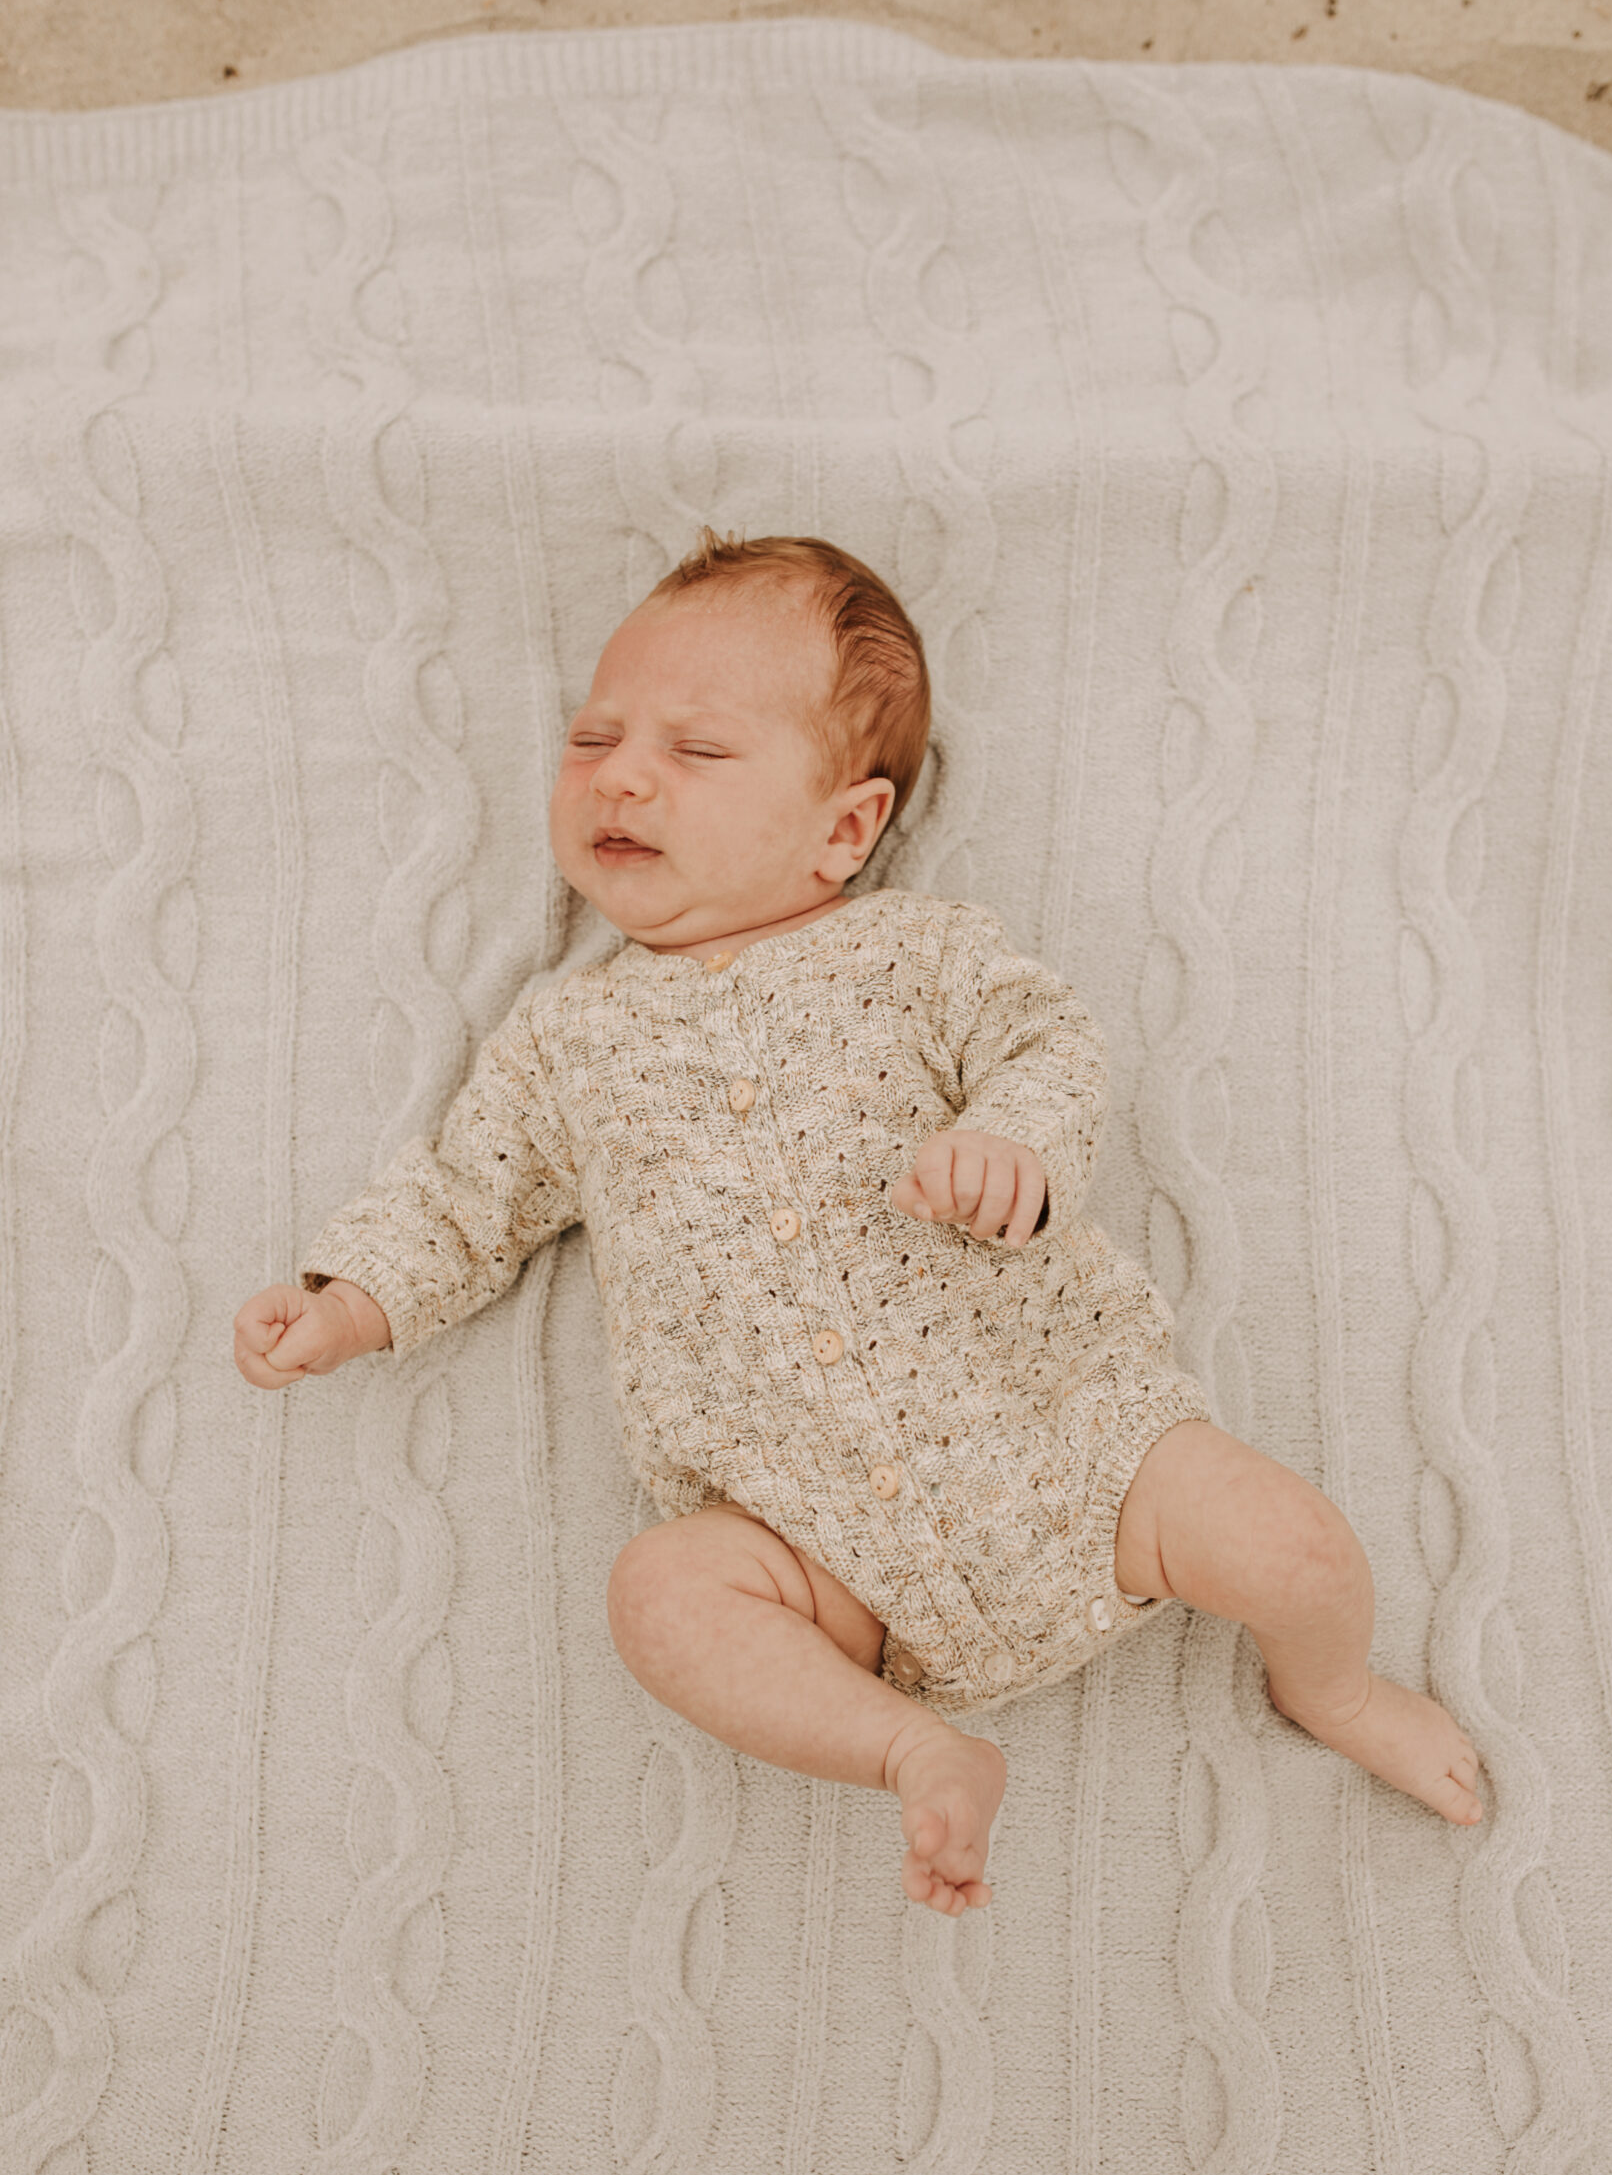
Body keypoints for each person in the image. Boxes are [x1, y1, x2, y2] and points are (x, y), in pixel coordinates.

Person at [232, 528, 1483, 1919]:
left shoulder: (918, 951)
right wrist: (348, 1298)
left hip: (1075, 1443)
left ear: (844, 828)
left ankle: (1333, 1686)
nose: (624, 775)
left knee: (1296, 1549)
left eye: (698, 754)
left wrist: (1014, 1141)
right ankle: (912, 1746)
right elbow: (471, 1197)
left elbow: (1050, 1045)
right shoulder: (564, 1039)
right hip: (815, 1549)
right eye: (594, 739)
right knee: (661, 1594)